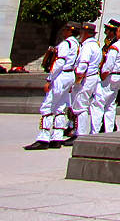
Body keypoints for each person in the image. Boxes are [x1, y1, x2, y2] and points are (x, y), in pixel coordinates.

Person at [26, 21, 79, 150]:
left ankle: (43, 138)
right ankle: (57, 137)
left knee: (48, 106)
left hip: (61, 75)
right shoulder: (77, 44)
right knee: (60, 106)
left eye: (66, 29)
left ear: (70, 31)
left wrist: (50, 79)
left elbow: (59, 62)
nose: (63, 31)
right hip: (70, 75)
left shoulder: (66, 44)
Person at [92, 22, 120, 135]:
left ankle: (94, 131)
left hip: (111, 75)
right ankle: (109, 131)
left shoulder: (116, 46)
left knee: (98, 104)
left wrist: (103, 75)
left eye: (118, 30)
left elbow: (108, 65)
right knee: (110, 105)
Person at [71, 21, 103, 140]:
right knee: (92, 104)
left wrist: (77, 77)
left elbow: (83, 64)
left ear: (86, 33)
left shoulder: (87, 47)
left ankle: (80, 133)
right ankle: (90, 131)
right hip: (93, 77)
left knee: (80, 106)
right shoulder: (96, 46)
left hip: (86, 78)